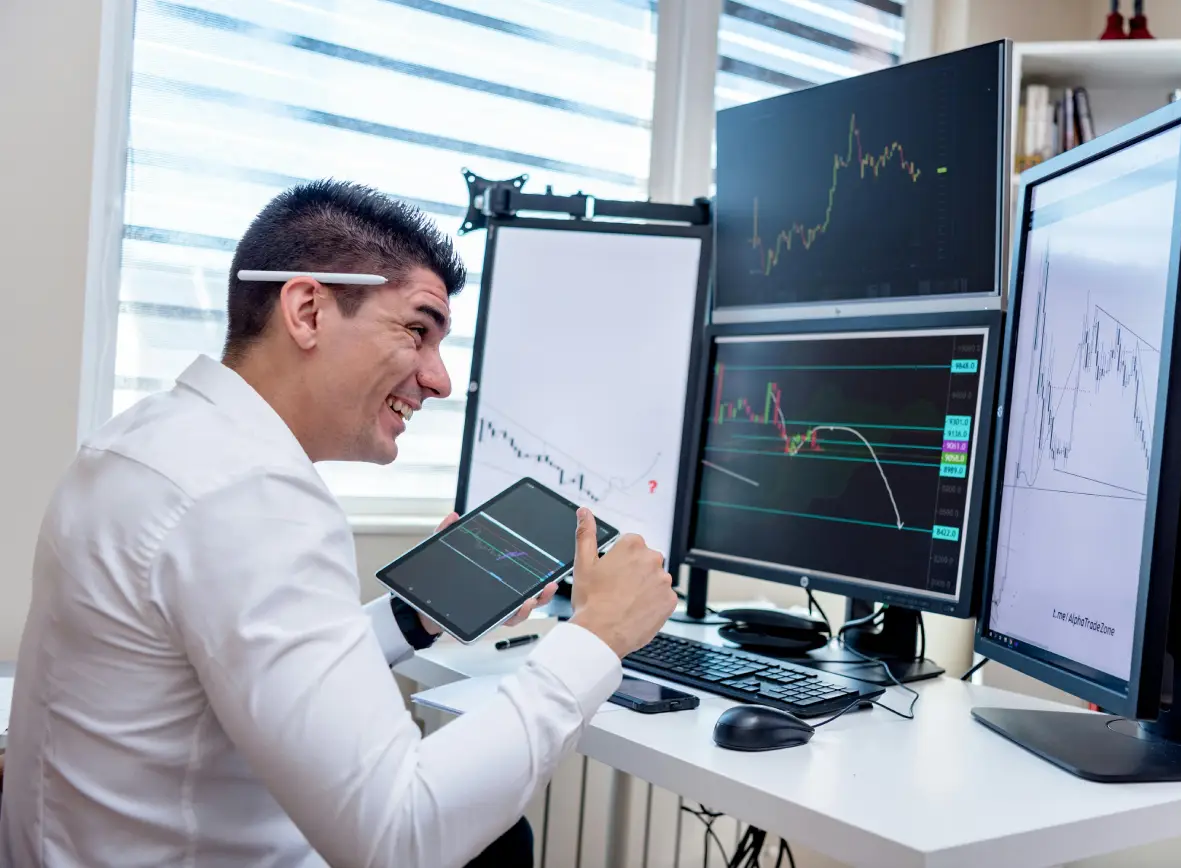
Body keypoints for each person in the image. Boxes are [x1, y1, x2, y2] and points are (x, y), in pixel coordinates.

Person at [0, 180, 678, 867]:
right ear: (308, 312)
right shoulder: (252, 496)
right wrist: (598, 635)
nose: (441, 380)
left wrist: (413, 617)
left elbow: (245, 660)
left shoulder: (143, 441)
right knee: (499, 847)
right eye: (416, 330)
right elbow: (402, 839)